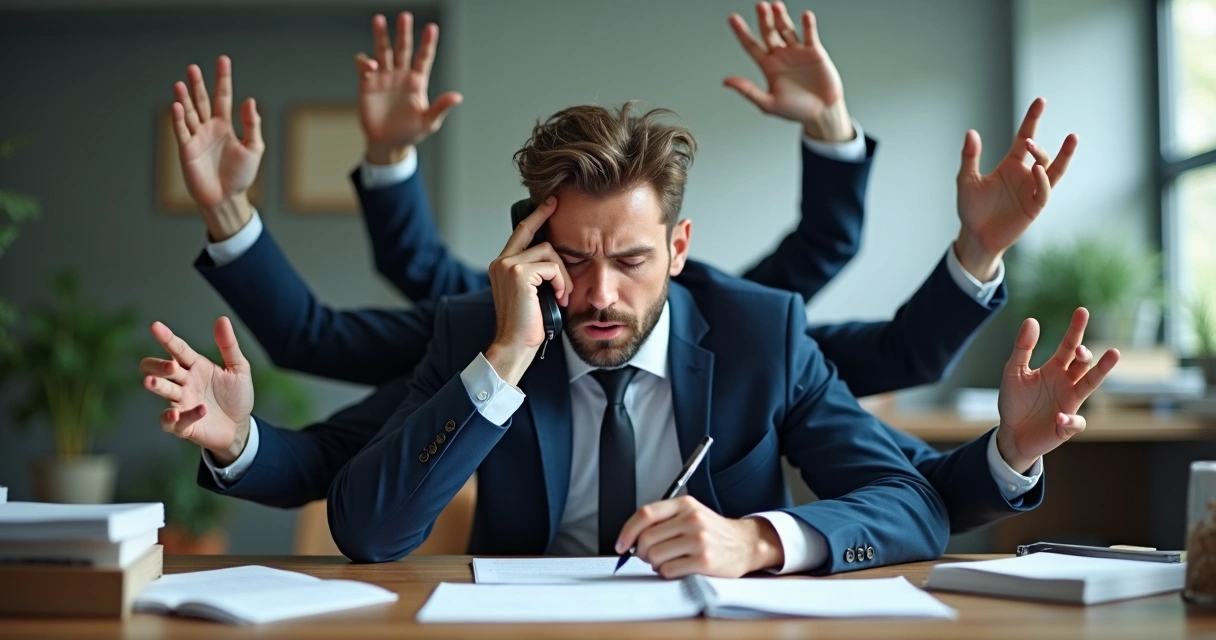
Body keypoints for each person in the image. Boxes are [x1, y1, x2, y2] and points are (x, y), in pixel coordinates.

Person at [144, 4, 1094, 537]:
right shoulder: (480, 330)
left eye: (632, 261)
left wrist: (760, 540)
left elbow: (907, 460)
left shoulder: (757, 330)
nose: (599, 295)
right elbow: (354, 499)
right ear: (526, 258)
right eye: (573, 263)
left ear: (679, 253)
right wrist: (503, 361)